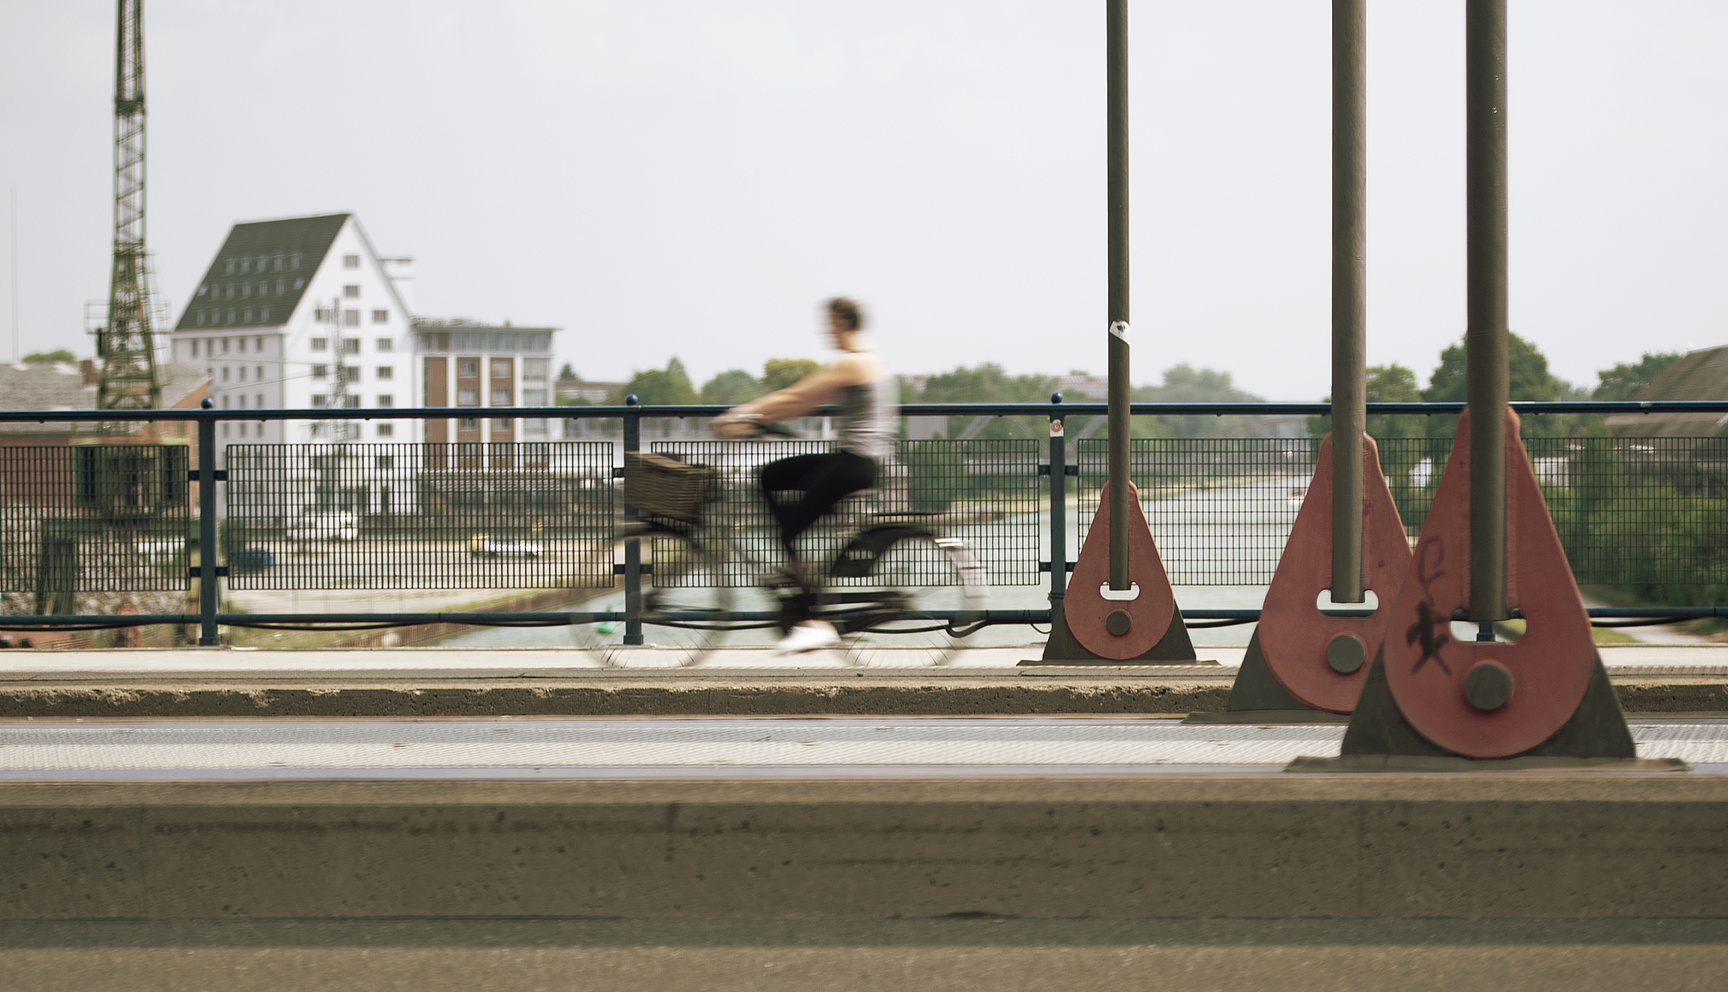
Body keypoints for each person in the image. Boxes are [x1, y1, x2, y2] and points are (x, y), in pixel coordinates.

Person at [713, 297, 898, 654]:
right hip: (855, 460)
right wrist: (758, 420)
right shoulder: (868, 362)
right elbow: (802, 404)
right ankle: (797, 569)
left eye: (829, 324)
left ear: (844, 323)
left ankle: (815, 620)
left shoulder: (854, 363)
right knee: (769, 476)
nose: (825, 331)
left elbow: (797, 393)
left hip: (856, 463)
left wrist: (743, 414)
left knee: (791, 526)